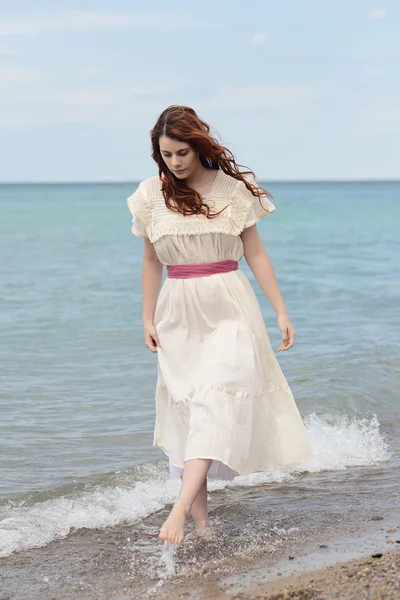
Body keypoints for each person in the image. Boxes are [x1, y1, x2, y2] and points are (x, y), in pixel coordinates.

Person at [127, 105, 311, 545]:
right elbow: (152, 261)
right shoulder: (151, 194)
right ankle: (204, 529)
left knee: (214, 398)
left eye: (182, 152)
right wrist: (146, 317)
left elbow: (256, 253)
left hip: (229, 304)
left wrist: (281, 312)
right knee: (192, 412)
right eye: (166, 154)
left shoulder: (233, 190)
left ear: (199, 144)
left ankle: (175, 513)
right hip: (177, 311)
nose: (175, 162)